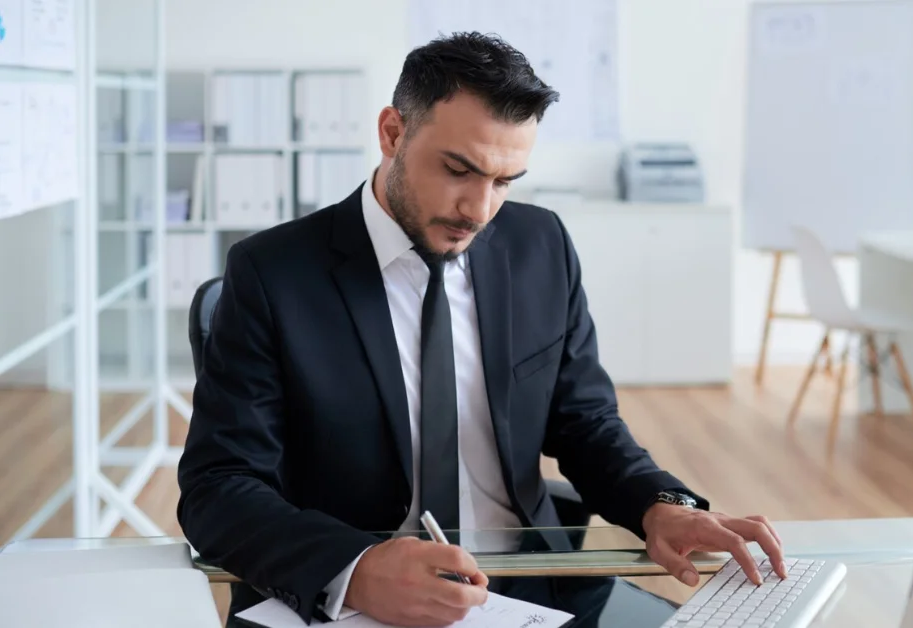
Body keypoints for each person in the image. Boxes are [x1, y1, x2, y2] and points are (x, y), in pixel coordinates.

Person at [177, 32, 786, 627]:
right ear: (393, 133)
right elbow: (219, 486)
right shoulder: (272, 273)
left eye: (504, 181)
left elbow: (585, 423)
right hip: (357, 596)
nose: (479, 209)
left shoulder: (540, 244)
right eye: (458, 170)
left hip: (535, 586)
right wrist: (357, 568)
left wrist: (660, 505)